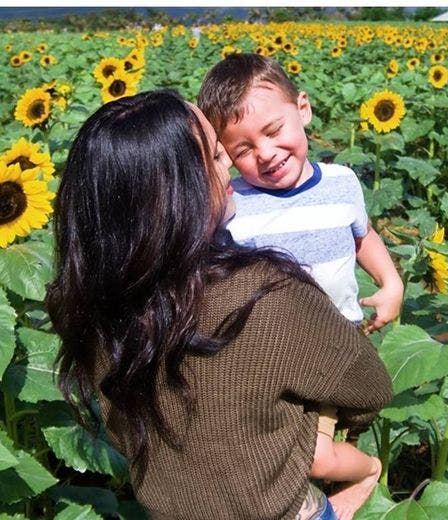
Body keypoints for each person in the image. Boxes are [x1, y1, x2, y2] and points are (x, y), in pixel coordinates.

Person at [45, 89, 392, 520]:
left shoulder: (89, 306)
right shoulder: (264, 295)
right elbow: (369, 388)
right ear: (175, 192)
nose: (228, 164)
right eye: (213, 155)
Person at [196, 53, 403, 493]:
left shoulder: (342, 181)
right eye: (242, 150)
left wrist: (391, 283)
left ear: (303, 109)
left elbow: (361, 235)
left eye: (274, 132)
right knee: (267, 453)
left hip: (334, 345)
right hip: (262, 358)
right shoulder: (232, 204)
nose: (266, 154)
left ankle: (367, 472)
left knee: (314, 457)